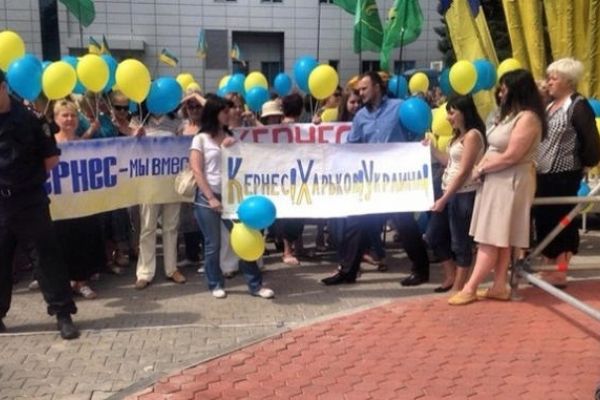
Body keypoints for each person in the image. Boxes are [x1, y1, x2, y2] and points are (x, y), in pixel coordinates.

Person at [321, 71, 430, 286]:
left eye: (364, 88)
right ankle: (348, 271)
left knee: (404, 224)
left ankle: (421, 269)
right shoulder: (360, 116)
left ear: (377, 87)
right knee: (356, 223)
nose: (360, 93)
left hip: (396, 179)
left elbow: (416, 131)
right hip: (371, 181)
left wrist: (419, 145)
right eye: (359, 90)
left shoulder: (399, 107)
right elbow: (353, 145)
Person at [448, 69, 546, 305]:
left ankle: (470, 287)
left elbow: (512, 155)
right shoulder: (511, 116)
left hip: (510, 181)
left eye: (504, 89)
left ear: (517, 90)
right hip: (498, 181)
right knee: (500, 236)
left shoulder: (527, 118)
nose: (500, 94)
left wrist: (481, 168)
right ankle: (499, 285)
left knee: (491, 237)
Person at [0, 70, 79, 339]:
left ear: (3, 88)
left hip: (29, 200)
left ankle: (63, 314)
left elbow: (51, 160)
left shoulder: (31, 119)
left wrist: (25, 180)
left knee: (46, 259)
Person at [190, 95, 274, 299]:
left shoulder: (232, 135)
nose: (229, 114)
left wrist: (233, 146)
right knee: (213, 244)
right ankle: (215, 283)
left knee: (245, 238)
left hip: (232, 197)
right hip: (207, 198)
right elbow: (197, 170)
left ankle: (255, 285)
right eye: (225, 111)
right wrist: (210, 197)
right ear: (215, 113)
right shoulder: (200, 139)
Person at [534, 58, 600, 288]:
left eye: (554, 78)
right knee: (544, 219)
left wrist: (585, 164)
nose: (549, 82)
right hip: (542, 173)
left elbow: (590, 141)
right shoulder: (549, 105)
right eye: (549, 77)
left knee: (561, 220)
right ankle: (548, 263)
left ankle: (560, 269)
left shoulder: (578, 106)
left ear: (568, 81)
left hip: (564, 173)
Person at [425, 95, 486, 292]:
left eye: (452, 113)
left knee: (461, 242)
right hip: (449, 192)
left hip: (463, 194)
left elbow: (464, 171)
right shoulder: (457, 137)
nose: (448, 118)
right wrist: (432, 150)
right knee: (433, 235)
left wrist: (444, 198)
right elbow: (450, 163)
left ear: (464, 112)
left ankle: (460, 285)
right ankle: (451, 275)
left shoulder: (473, 136)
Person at [52, 100, 107, 299]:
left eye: (73, 115)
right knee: (61, 241)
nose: (69, 119)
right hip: (57, 204)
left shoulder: (83, 145)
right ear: (56, 119)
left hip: (82, 202)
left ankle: (82, 281)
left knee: (82, 239)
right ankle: (67, 282)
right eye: (65, 115)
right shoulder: (48, 144)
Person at [134, 105, 187, 290]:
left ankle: (172, 269)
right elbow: (129, 151)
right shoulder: (139, 119)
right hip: (148, 183)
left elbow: (183, 147)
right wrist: (136, 137)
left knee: (171, 227)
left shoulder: (177, 120)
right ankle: (144, 272)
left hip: (172, 181)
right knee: (147, 227)